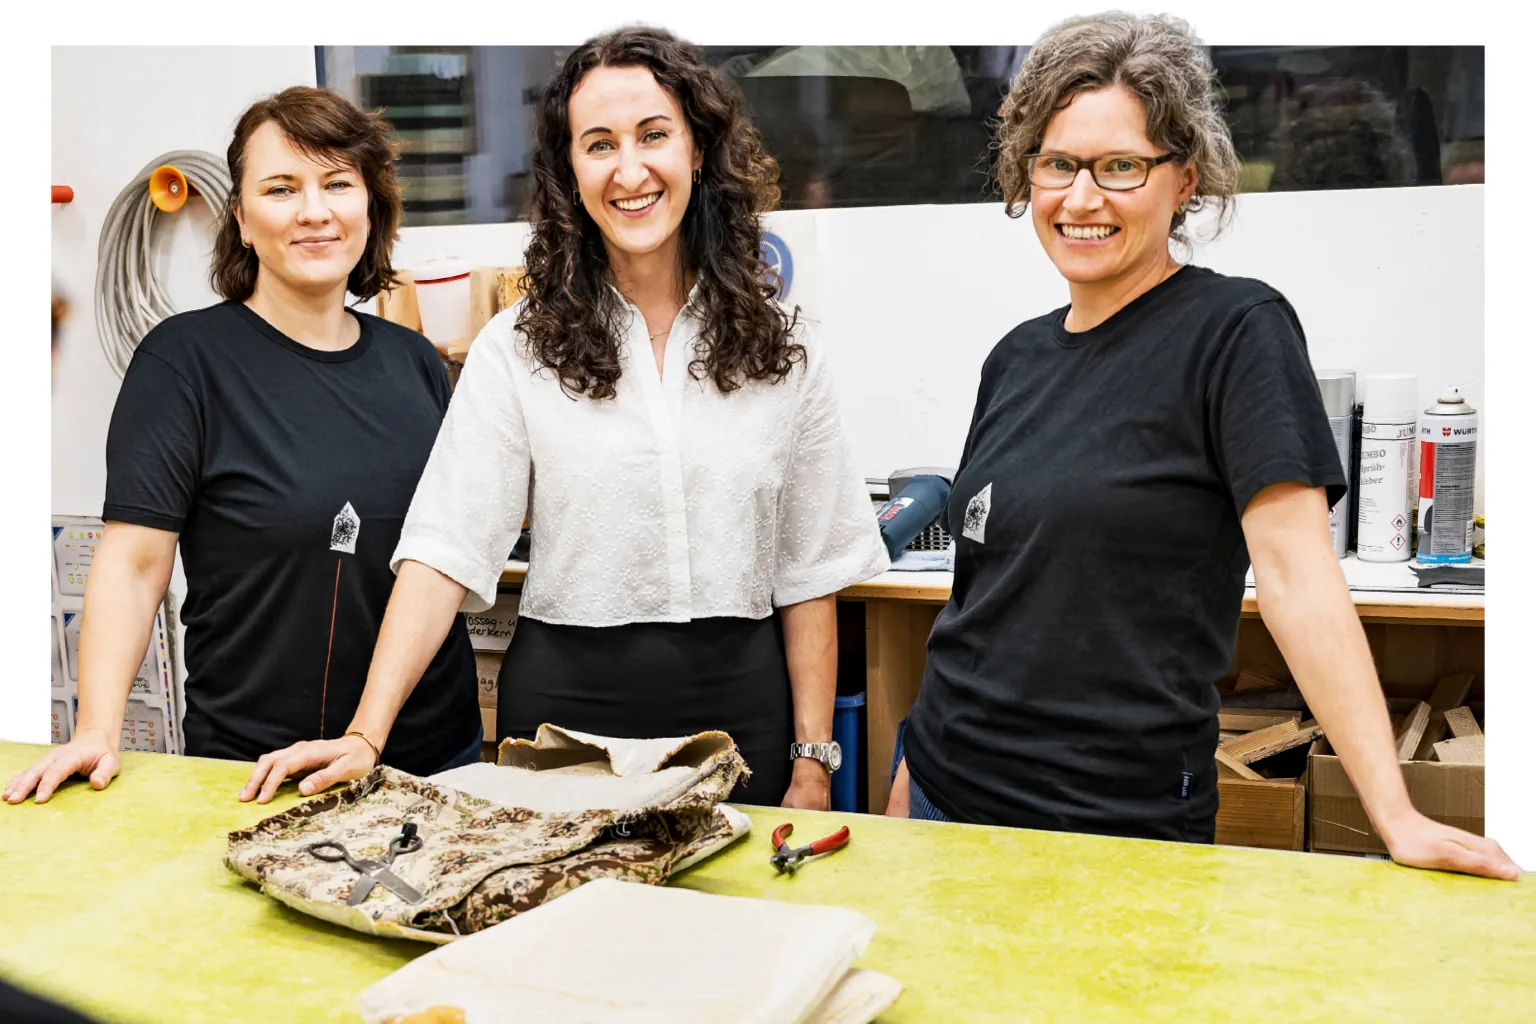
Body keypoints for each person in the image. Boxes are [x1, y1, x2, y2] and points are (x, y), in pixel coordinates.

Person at [887, 13, 1519, 881]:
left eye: (1121, 167)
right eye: (1058, 164)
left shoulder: (1234, 330)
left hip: (1112, 823)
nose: (1081, 197)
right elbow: (984, 599)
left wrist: (1395, 813)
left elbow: (1298, 576)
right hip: (944, 793)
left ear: (1183, 180)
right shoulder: (1016, 356)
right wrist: (914, 766)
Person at [238, 28, 888, 810]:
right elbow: (445, 549)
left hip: (741, 719)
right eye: (599, 143)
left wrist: (813, 764)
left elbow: (809, 573)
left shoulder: (786, 349)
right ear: (569, 170)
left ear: (700, 151)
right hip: (563, 731)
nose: (630, 169)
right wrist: (364, 735)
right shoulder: (518, 348)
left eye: (654, 136)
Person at [7, 86, 480, 807]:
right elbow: (135, 565)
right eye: (282, 188)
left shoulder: (414, 361)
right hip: (256, 772)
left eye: (338, 184)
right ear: (243, 219)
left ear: (370, 206)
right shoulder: (185, 362)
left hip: (432, 763)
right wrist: (97, 727)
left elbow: (443, 553)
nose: (315, 211)